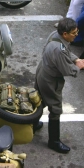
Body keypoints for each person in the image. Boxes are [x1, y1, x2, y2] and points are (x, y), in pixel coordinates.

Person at [34, 18, 84, 154]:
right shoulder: (59, 50)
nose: (77, 34)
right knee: (55, 109)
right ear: (65, 34)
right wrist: (78, 66)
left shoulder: (55, 35)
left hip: (42, 70)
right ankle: (54, 141)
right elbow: (68, 70)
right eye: (74, 33)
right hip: (51, 79)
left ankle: (32, 123)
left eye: (77, 31)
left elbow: (67, 52)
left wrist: (75, 58)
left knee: (39, 99)